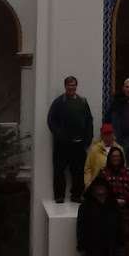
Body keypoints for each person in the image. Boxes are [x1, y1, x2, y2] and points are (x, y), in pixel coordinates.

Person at [47, 75, 93, 204]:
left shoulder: (83, 102)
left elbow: (89, 120)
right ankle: (59, 196)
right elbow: (51, 121)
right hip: (62, 144)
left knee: (78, 170)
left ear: (76, 86)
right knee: (59, 170)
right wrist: (60, 135)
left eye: (73, 85)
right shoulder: (58, 102)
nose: (71, 87)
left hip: (79, 144)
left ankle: (77, 195)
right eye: (69, 84)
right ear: (65, 86)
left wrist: (88, 139)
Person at [102, 143, 129, 256]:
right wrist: (112, 201)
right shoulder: (104, 172)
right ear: (110, 158)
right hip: (108, 211)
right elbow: (100, 191)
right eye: (113, 156)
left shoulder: (127, 172)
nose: (116, 158)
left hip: (123, 211)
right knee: (109, 240)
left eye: (118, 156)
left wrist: (126, 200)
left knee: (120, 241)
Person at [83, 121, 118, 188]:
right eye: (105, 134)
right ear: (102, 135)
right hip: (97, 187)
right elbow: (88, 169)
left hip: (115, 187)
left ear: (113, 135)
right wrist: (88, 184)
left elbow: (123, 168)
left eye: (110, 134)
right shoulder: (94, 150)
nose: (108, 136)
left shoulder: (119, 149)